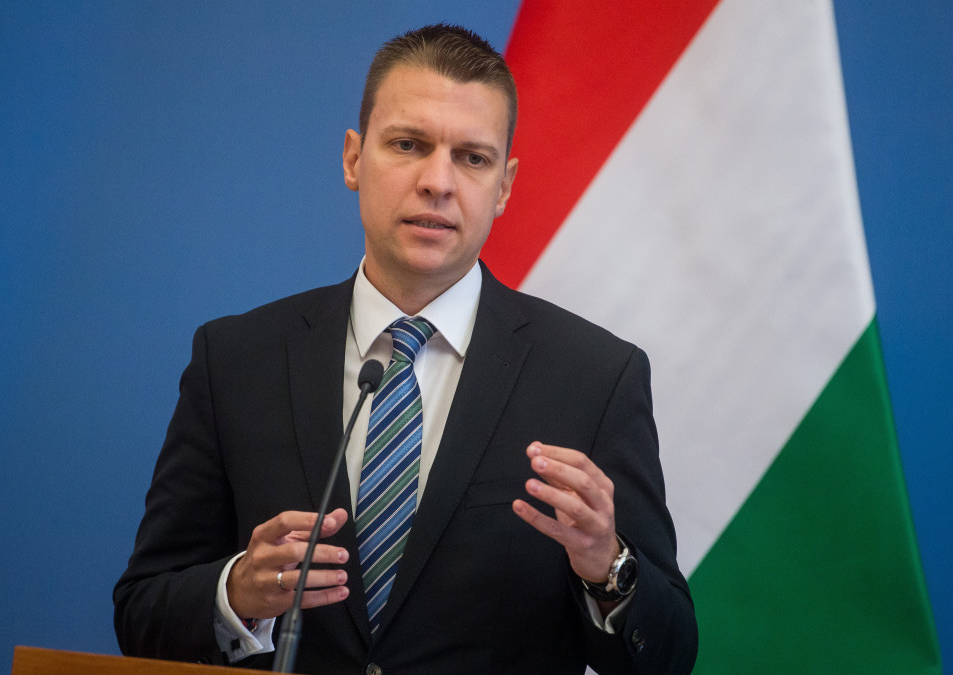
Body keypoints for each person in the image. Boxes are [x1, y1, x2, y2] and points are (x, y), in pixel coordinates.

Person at [114, 24, 697, 674]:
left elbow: (669, 656)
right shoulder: (236, 360)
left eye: (472, 158)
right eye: (409, 144)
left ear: (504, 186)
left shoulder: (595, 377)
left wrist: (606, 564)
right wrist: (237, 594)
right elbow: (142, 613)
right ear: (353, 159)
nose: (437, 181)